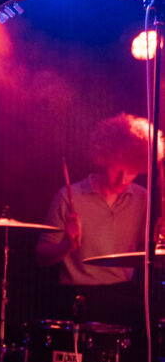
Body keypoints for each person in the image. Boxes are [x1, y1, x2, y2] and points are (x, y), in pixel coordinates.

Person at [35, 112, 161, 328]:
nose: (123, 178)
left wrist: (158, 240)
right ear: (103, 159)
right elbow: (41, 256)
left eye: (132, 171)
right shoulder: (68, 196)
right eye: (116, 169)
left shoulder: (142, 198)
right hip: (78, 296)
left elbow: (145, 254)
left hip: (123, 294)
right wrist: (66, 246)